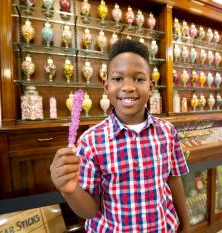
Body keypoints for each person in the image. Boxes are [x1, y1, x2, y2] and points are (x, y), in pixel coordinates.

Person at [50, 39, 190, 232]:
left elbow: (174, 180)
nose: (128, 87)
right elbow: (90, 210)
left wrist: (186, 223)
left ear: (151, 86)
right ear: (106, 86)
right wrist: (70, 190)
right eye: (118, 79)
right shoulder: (91, 142)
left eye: (139, 79)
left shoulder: (167, 132)